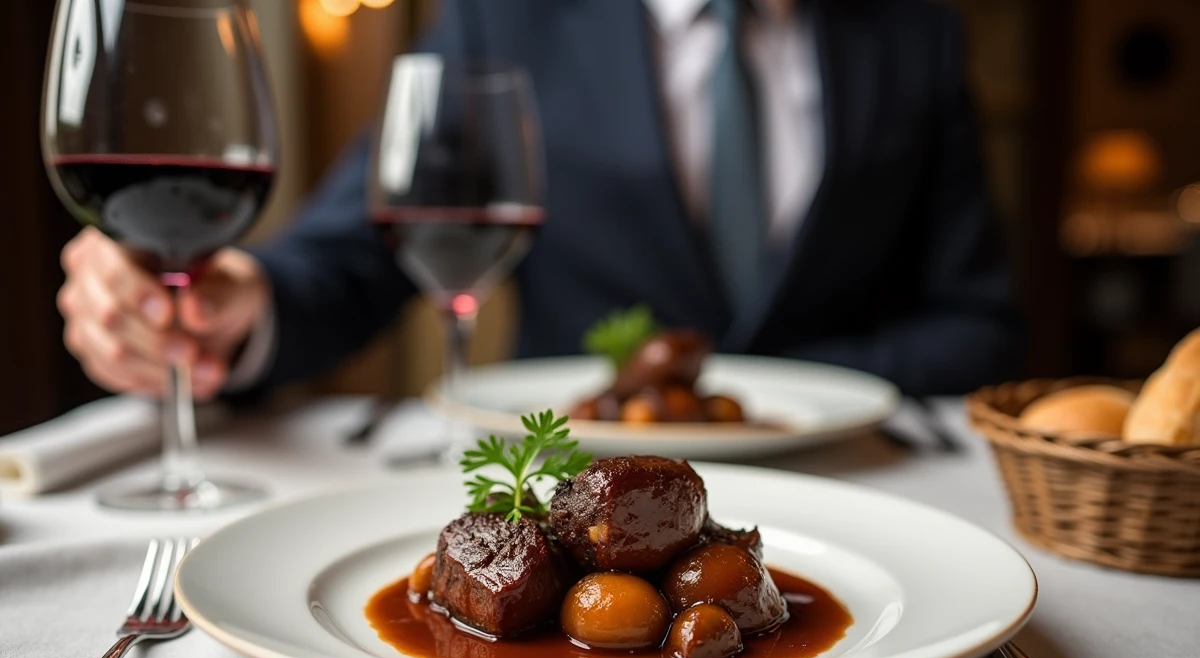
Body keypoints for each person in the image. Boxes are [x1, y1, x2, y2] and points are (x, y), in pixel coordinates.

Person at [56, 0, 1023, 401]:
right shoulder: (502, 16)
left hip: (865, 488)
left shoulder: (918, 36)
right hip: (566, 486)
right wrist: (237, 301)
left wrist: (753, 401)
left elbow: (979, 324)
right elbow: (355, 248)